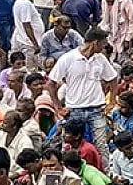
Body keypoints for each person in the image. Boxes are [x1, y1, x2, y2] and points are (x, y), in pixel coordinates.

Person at [47, 28, 119, 169]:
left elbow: (113, 78)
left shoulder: (100, 59)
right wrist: (58, 107)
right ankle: (67, 171)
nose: (104, 46)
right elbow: (51, 83)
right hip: (75, 109)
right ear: (95, 43)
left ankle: (104, 174)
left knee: (101, 146)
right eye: (103, 43)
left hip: (96, 108)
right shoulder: (68, 58)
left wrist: (112, 101)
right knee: (69, 145)